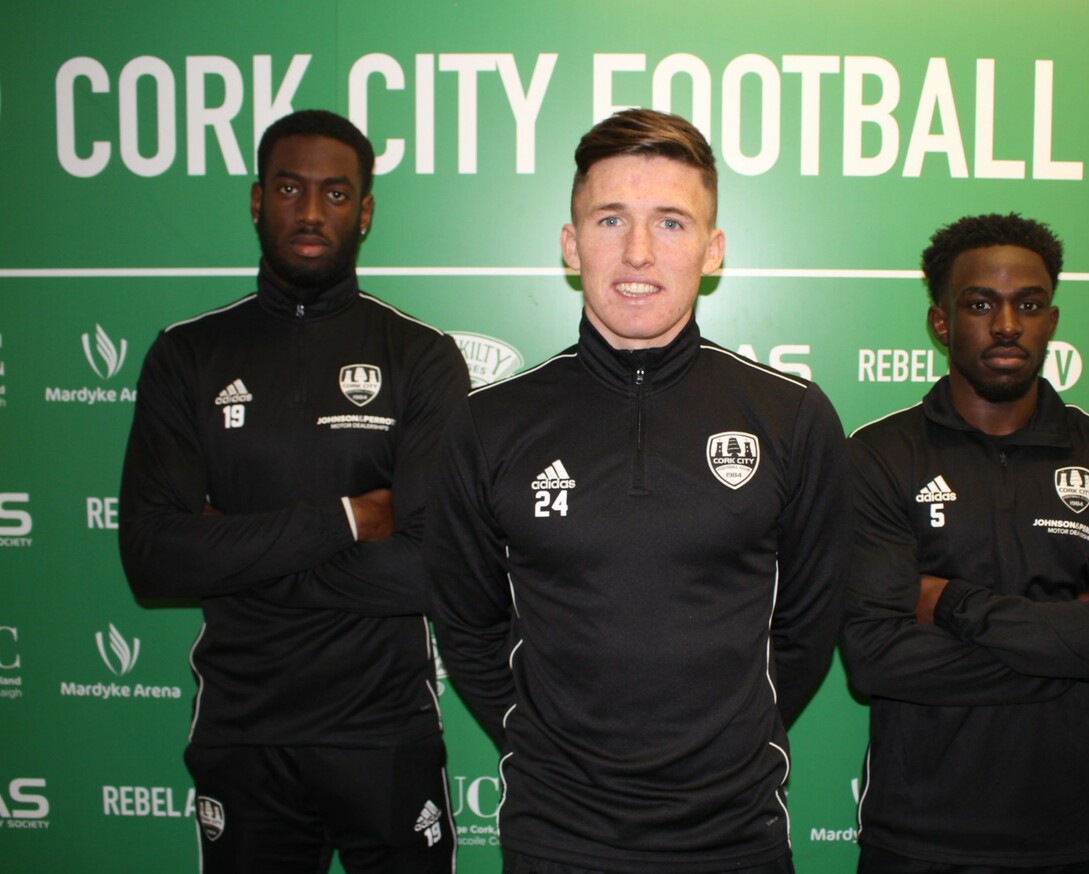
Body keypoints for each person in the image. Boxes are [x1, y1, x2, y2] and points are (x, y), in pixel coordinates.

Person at [425, 108, 850, 873]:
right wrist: (545, 740)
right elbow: (466, 622)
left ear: (713, 250)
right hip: (557, 837)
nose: (639, 252)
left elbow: (809, 627)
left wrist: (728, 742)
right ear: (571, 243)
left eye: (671, 222)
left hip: (734, 836)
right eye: (611, 219)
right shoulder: (491, 423)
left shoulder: (791, 416)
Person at [118, 109, 468, 872]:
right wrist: (350, 516)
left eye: (335, 194)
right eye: (288, 188)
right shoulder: (188, 355)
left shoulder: (420, 357)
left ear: (364, 212)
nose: (310, 212)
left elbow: (431, 569)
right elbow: (153, 559)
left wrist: (234, 550)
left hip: (384, 732)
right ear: (256, 200)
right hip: (245, 733)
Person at [843, 213, 1089, 873]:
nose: (1006, 325)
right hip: (918, 836)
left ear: (1051, 321)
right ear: (941, 323)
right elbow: (877, 659)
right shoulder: (879, 455)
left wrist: (950, 603)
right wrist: (1075, 645)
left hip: (1077, 835)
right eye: (980, 305)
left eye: (1028, 305)